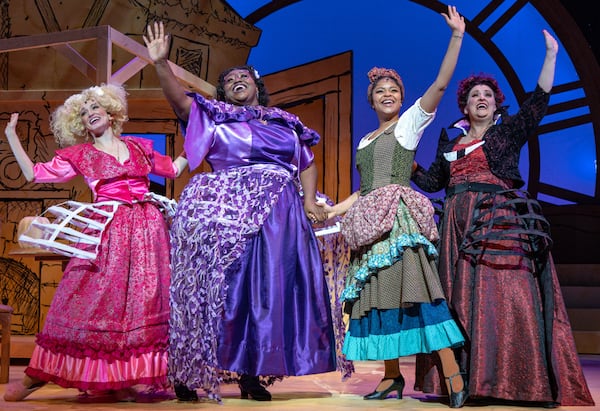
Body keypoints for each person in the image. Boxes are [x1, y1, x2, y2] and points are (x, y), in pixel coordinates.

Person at [143, 21, 337, 403]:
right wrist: (161, 65)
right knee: (217, 291)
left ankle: (251, 373)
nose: (236, 80)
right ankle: (189, 368)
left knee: (264, 293)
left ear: (256, 84)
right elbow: (180, 102)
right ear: (224, 91)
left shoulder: (285, 123)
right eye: (229, 79)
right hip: (226, 209)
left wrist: (311, 201)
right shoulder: (214, 116)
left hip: (279, 215)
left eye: (243, 76)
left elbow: (307, 162)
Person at [411, 30, 595, 407]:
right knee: (459, 301)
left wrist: (551, 55)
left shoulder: (506, 132)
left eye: (488, 95)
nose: (482, 99)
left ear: (497, 105)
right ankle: (464, 380)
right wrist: (404, 161)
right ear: (464, 105)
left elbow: (538, 104)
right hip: (455, 229)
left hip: (497, 221)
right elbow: (433, 181)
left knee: (505, 297)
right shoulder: (451, 140)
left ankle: (516, 381)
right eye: (474, 95)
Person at [3, 84, 187, 403]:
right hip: (109, 229)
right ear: (79, 123)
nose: (90, 113)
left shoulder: (140, 148)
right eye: (84, 112)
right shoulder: (82, 155)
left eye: (94, 107)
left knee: (140, 302)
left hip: (147, 232)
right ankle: (37, 375)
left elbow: (173, 169)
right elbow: (34, 174)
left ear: (110, 111)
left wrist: (203, 139)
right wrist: (10, 137)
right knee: (84, 294)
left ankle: (120, 377)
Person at [323, 5, 468, 408]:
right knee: (380, 297)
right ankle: (391, 378)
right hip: (369, 222)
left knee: (418, 293)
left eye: (394, 91)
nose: (388, 94)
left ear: (402, 99)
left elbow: (440, 84)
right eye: (380, 91)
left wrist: (456, 37)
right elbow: (364, 188)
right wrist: (334, 211)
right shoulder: (366, 141)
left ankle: (452, 373)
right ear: (371, 100)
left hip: (399, 223)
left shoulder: (407, 126)